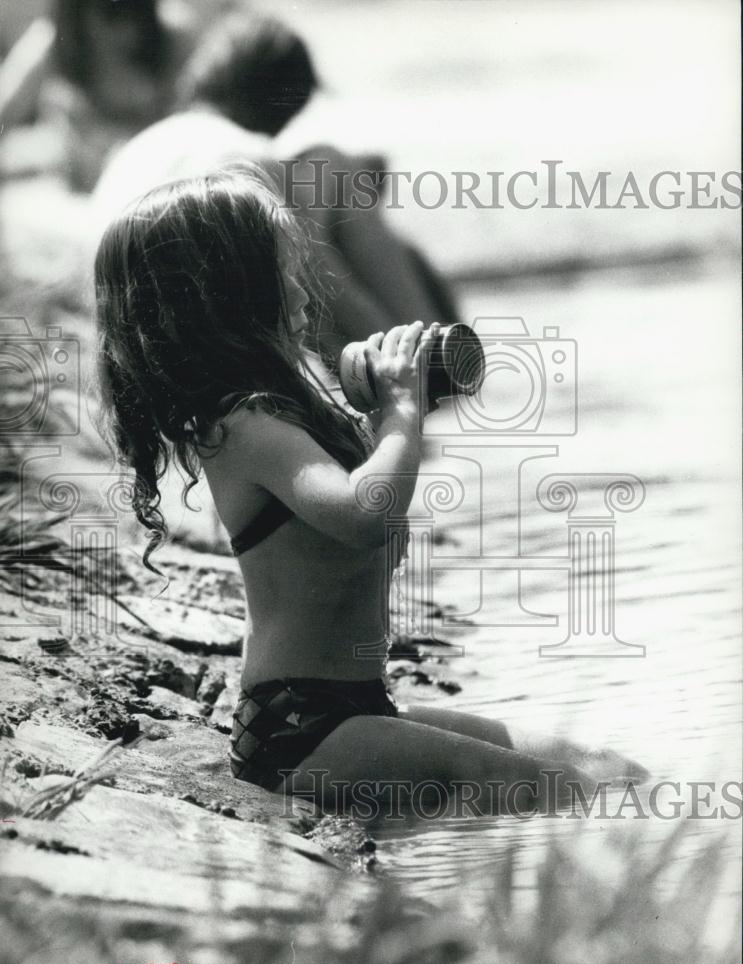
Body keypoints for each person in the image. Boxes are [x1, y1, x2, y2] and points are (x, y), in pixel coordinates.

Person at [94, 167, 647, 815]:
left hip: (361, 705)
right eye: (283, 270)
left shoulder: (294, 414)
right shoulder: (242, 426)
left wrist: (388, 417)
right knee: (531, 783)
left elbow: (379, 539)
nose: (303, 285)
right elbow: (364, 514)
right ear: (231, 295)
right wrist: (401, 412)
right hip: (297, 728)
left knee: (602, 768)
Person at [92, 12, 457, 364]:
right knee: (333, 166)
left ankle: (429, 345)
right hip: (205, 342)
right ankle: (432, 353)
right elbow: (326, 291)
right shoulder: (246, 154)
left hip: (130, 339)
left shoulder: (141, 147)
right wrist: (396, 357)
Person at [0, 0, 195, 189]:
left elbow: (197, 120)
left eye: (129, 9)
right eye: (108, 11)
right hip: (75, 189)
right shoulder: (53, 41)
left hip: (155, 178)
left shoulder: (174, 34)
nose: (121, 31)